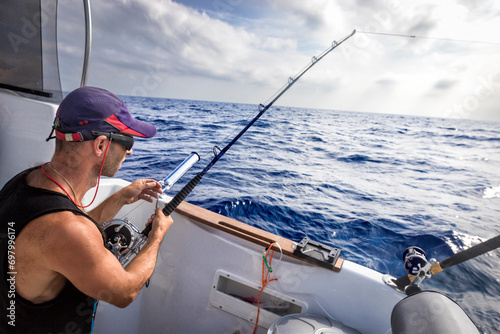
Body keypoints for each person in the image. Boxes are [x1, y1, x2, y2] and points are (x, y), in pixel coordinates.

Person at [0, 86, 173, 333]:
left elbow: (62, 238)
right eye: (127, 141)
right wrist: (156, 237)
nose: (130, 151)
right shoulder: (68, 230)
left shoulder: (25, 181)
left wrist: (122, 197)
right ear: (101, 145)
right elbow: (124, 292)